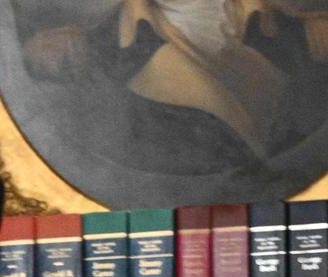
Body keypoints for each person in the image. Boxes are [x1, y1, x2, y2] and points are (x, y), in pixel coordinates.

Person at [18, 0, 328, 170]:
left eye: (48, 48)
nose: (56, 57)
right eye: (55, 66)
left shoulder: (285, 21)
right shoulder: (142, 92)